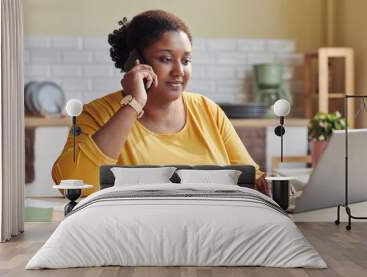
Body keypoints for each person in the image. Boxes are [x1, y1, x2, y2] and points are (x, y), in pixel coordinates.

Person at [52, 10, 269, 197]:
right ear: (135, 61)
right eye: (166, 59)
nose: (179, 71)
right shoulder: (96, 114)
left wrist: (267, 184)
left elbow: (253, 178)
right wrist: (133, 104)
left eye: (186, 60)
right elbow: (73, 183)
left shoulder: (208, 110)